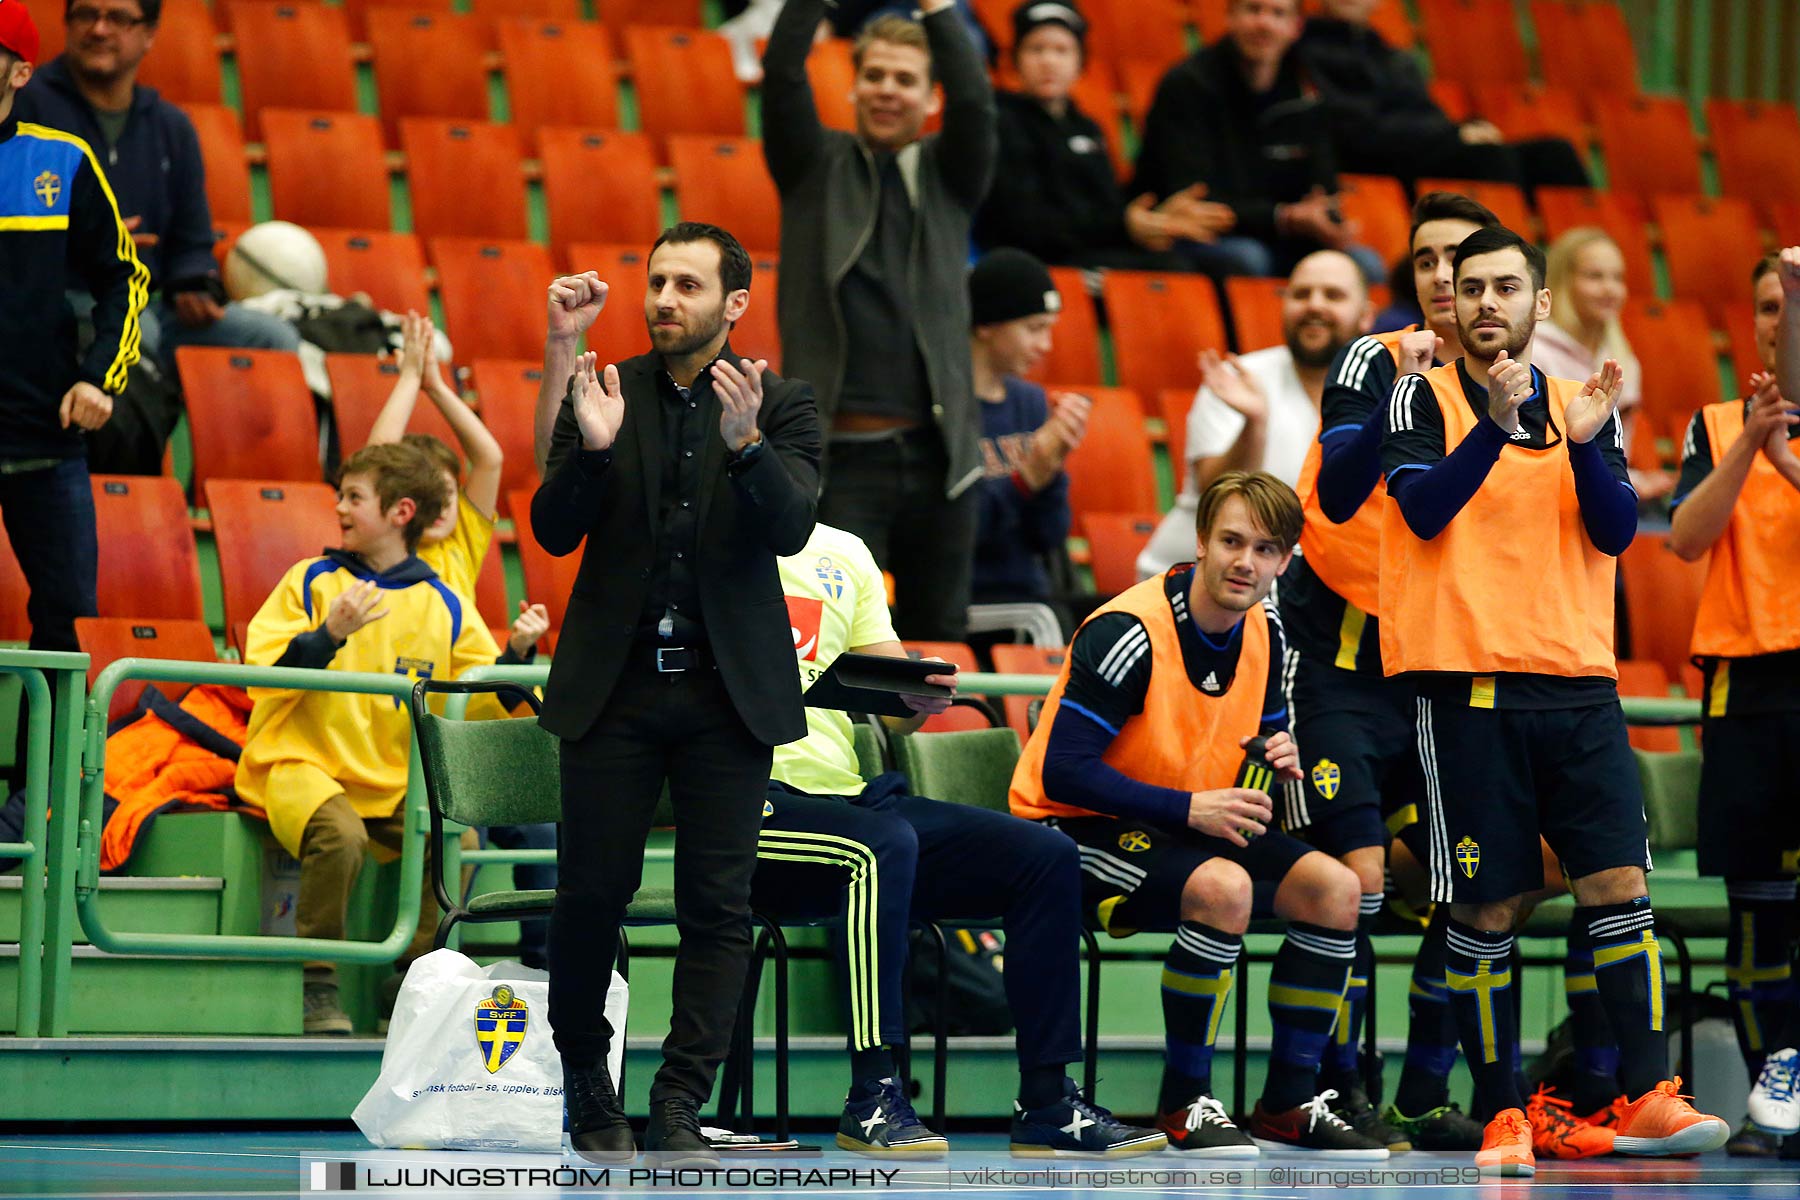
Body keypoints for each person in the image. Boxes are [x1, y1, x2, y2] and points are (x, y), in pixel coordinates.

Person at [1378, 226, 1729, 1176]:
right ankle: (1501, 1116)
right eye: (1470, 287)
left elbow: (1617, 531)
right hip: (1467, 690)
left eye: (1506, 288)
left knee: (1620, 887)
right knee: (1489, 910)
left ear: (1540, 306)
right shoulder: (1418, 393)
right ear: (1451, 303)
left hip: (1579, 685)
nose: (1487, 302)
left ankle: (1649, 1093)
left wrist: (1581, 447)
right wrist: (1495, 424)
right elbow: (1419, 508)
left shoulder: (1587, 404)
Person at [530, 222, 821, 1164]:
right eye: (656, 281)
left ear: (734, 304)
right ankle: (587, 1086)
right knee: (590, 897)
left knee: (716, 905)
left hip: (724, 695)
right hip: (612, 691)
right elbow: (553, 529)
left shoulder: (783, 404)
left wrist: (745, 447)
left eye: (688, 285)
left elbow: (790, 529)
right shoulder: (606, 390)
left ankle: (680, 1103)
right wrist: (598, 450)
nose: (664, 299)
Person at [750, 520, 1166, 1157]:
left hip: (850, 796)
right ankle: (873, 1096)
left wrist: (915, 692)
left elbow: (886, 692)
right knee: (881, 845)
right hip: (750, 802)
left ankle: (1050, 1103)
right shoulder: (706, 533)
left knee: (1045, 855)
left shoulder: (845, 549)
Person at [1010, 471, 1388, 1158]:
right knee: (1225, 886)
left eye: (1266, 550)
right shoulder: (1129, 630)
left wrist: (1271, 752)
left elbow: (1253, 741)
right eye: (1232, 542)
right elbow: (1062, 769)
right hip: (1070, 830)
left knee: (1340, 889)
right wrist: (1190, 806)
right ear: (1202, 541)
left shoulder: (1266, 629)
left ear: (1283, 562)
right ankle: (1185, 1101)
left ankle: (1288, 1104)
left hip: (1187, 826)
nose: (1246, 562)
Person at [1282, 192, 1501, 1153]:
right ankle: (1337, 1086)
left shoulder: (1515, 385)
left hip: (1444, 667)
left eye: (1461, 261)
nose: (1442, 279)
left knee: (1464, 883)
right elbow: (1333, 484)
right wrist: (1400, 396)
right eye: (1424, 262)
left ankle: (1420, 1089)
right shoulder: (1377, 358)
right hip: (1342, 663)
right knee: (1361, 878)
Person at [234, 443, 517, 1036]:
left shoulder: (444, 603)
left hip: (392, 780)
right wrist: (327, 635)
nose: (338, 507)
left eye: (353, 497)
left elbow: (488, 696)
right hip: (298, 763)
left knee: (459, 839)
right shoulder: (311, 580)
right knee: (340, 835)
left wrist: (518, 655)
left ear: (400, 511)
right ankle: (316, 983)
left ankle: (409, 978)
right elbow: (262, 672)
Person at [762, 0, 995, 642]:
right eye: (875, 75)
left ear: (930, 95)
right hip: (838, 460)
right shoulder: (812, 164)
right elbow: (782, 74)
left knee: (937, 644)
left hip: (940, 463)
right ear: (854, 83)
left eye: (905, 79)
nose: (887, 91)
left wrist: (942, 12)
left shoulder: (951, 176)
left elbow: (978, 105)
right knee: (831, 643)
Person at [368, 311, 552, 969]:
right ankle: (421, 969)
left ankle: (544, 970)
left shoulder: (464, 541)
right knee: (458, 836)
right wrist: (406, 378)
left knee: (542, 829)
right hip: (418, 742)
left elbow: (491, 456)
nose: (446, 506)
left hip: (479, 728)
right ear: (401, 506)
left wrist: (437, 385)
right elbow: (374, 460)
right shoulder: (387, 556)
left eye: (451, 494)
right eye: (428, 496)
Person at [1668, 254, 1800, 1158]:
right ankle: (1773, 1086)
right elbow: (1683, 538)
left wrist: (1789, 466)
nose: (1781, 322)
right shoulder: (1717, 424)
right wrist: (1753, 444)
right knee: (1757, 909)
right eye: (1769, 307)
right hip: (1748, 688)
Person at [13, 0, 299, 370]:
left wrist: (191, 286)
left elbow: (191, 243)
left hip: (148, 303)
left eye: (117, 18)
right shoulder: (23, 106)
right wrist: (92, 245)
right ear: (67, 23)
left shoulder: (172, 128)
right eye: (86, 14)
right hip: (56, 301)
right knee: (136, 333)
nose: (99, 29)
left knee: (272, 338)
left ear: (149, 33)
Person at [0, 0, 146, 658]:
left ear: (20, 73)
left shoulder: (64, 160)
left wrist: (99, 379)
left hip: (46, 445)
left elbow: (125, 277)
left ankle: (42, 766)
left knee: (66, 628)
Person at [1137, 249, 1371, 579]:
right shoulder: (1239, 378)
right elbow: (1217, 496)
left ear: (1366, 314)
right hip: (1187, 582)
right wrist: (1255, 424)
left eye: (1333, 295)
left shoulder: (1382, 393)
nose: (1314, 305)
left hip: (1295, 590)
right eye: (1301, 294)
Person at [1130, 0, 1382, 282]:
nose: (1264, 23)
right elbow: (1195, 200)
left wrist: (1325, 219)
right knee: (1248, 259)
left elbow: (1321, 189)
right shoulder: (1188, 85)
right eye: (1253, 10)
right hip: (1198, 235)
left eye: (1278, 13)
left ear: (1295, 27)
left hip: (1284, 237)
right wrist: (1284, 216)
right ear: (1230, 17)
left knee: (1364, 264)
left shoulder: (1307, 91)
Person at [974, 1, 1226, 270]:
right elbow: (1024, 223)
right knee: (1170, 271)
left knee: (1204, 262)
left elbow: (1110, 205)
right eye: (1036, 49)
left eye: (1061, 50)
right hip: (1040, 262)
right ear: (1015, 59)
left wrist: (1155, 215)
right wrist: (1123, 226)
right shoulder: (999, 121)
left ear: (1080, 61)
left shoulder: (1087, 128)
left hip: (1093, 251)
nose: (1048, 61)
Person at [1298, 0, 1588, 197]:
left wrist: (1465, 129)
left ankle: (1589, 270)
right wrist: (1454, 134)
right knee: (1488, 158)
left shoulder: (1389, 54)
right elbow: (1355, 128)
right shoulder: (1304, 47)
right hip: (1375, 164)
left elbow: (1428, 115)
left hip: (1420, 149)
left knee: (1555, 154)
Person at [967, 248, 1089, 617]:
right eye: (1034, 329)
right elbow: (958, 532)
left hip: (1032, 591)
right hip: (973, 594)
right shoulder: (947, 410)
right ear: (986, 325)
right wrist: (1027, 475)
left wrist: (1052, 467)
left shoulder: (1030, 401)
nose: (1046, 346)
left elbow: (1049, 536)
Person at [1534, 228, 1669, 501]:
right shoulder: (1535, 353)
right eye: (1595, 276)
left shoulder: (1624, 361)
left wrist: (1634, 480)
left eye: (1617, 278)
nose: (1610, 289)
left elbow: (1616, 455)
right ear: (1563, 281)